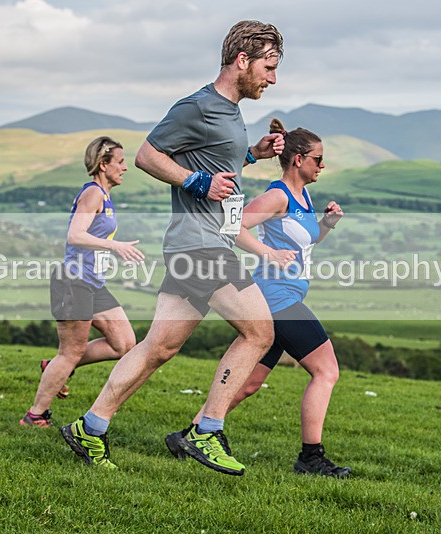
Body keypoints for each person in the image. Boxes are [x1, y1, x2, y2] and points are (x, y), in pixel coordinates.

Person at [60, 20, 285, 475]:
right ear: (242, 60)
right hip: (200, 245)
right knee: (260, 332)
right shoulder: (197, 105)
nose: (272, 78)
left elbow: (212, 157)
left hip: (201, 243)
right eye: (268, 66)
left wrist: (252, 155)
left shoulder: (231, 110)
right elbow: (147, 154)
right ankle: (206, 430)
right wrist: (196, 181)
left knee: (157, 348)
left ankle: (90, 427)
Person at [167, 118, 351, 477]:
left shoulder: (303, 196)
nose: (322, 165)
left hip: (284, 295)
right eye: (318, 158)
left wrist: (326, 225)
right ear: (298, 159)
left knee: (248, 383)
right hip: (276, 298)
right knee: (326, 370)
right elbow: (231, 225)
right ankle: (311, 457)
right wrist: (266, 252)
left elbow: (303, 244)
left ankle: (189, 436)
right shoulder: (276, 195)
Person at [20, 136, 144, 427]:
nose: (125, 168)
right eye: (121, 162)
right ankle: (35, 415)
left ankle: (53, 367)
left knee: (124, 343)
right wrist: (116, 246)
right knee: (71, 351)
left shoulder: (105, 194)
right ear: (103, 164)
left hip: (92, 283)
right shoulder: (93, 194)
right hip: (73, 282)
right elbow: (75, 235)